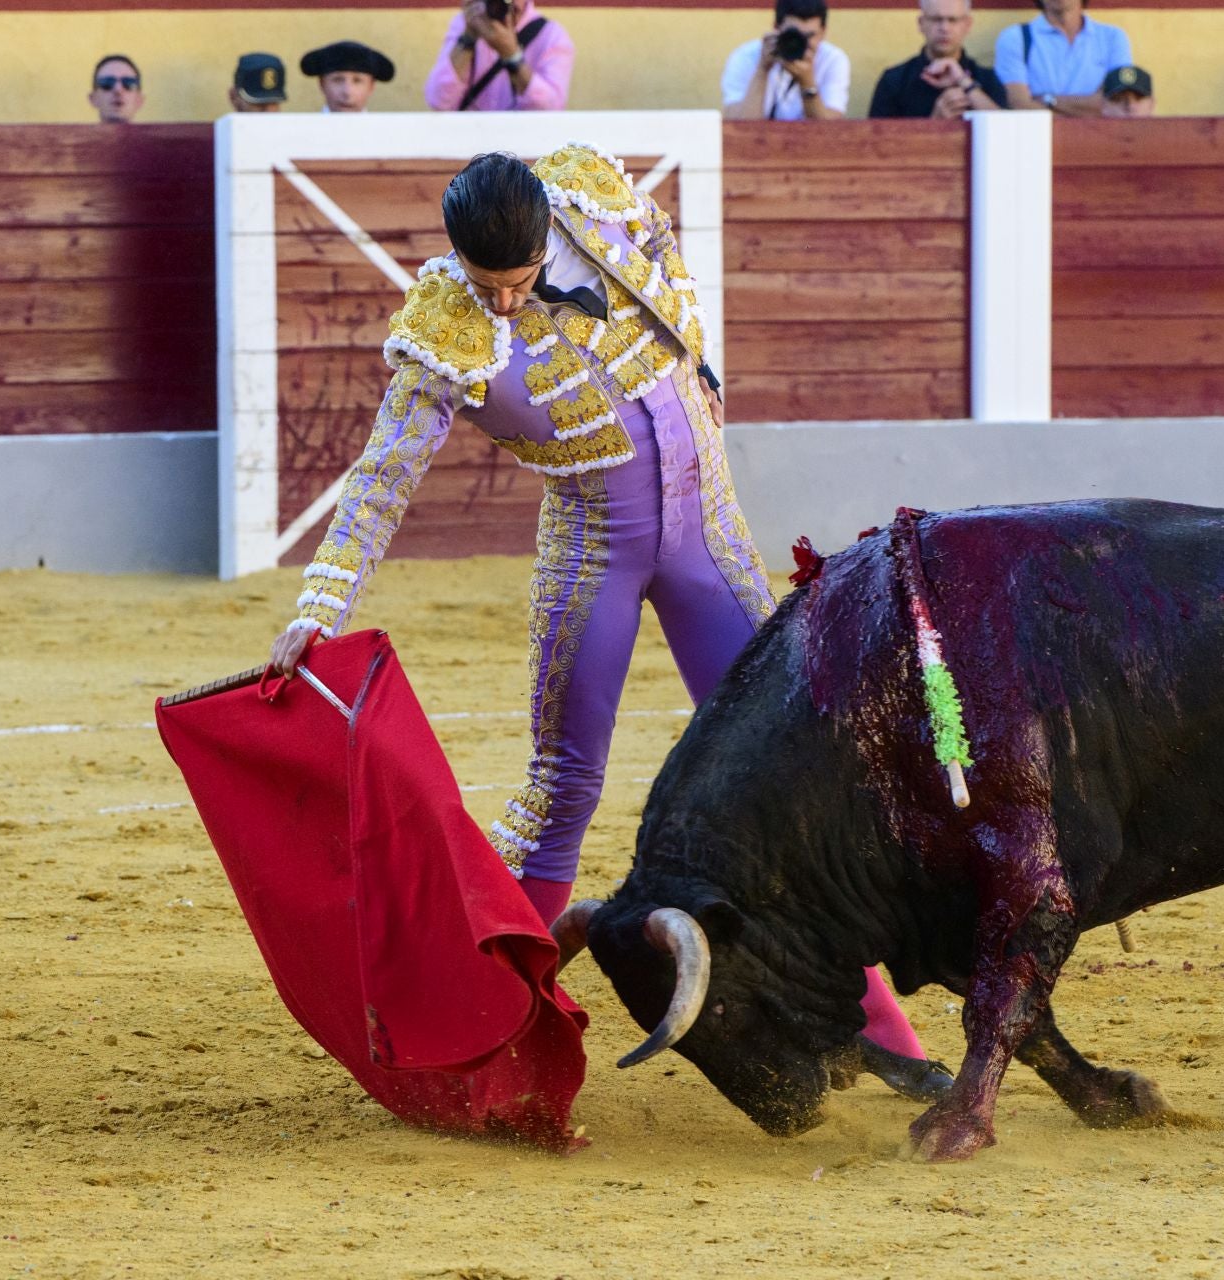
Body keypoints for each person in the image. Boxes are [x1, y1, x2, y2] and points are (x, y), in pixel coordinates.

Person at [264, 146, 945, 1094]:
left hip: (710, 539)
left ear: (549, 233)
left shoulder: (596, 198)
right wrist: (318, 606)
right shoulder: (445, 329)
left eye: (519, 281)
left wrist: (699, 365)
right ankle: (494, 1048)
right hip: (593, 560)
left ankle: (892, 1047)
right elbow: (382, 479)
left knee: (802, 780)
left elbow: (670, 265)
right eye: (483, 285)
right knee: (560, 797)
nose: (502, 305)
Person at [425, 0, 573, 112]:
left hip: (524, 144)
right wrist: (468, 38)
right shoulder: (466, 23)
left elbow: (551, 110)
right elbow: (438, 101)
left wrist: (512, 56)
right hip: (470, 143)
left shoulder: (551, 36)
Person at [994, 0, 1132, 117]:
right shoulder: (1015, 38)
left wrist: (1048, 100)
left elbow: (1116, 104)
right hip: (1039, 141)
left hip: (1101, 141)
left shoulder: (1112, 37)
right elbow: (1019, 104)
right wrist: (1087, 109)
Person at [868, 0, 1003, 119]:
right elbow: (877, 143)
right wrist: (935, 123)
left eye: (953, 20)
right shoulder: (894, 81)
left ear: (967, 25)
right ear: (921, 24)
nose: (944, 28)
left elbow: (1005, 132)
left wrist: (964, 81)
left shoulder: (988, 79)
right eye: (936, 19)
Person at [722, 0, 848, 121]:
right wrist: (762, 69)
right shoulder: (745, 57)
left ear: (823, 33)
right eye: (794, 35)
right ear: (777, 28)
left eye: (810, 36)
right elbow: (740, 127)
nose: (801, 43)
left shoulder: (833, 60)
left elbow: (830, 130)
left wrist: (807, 83)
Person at [302, 40, 396, 113]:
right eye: (337, 80)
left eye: (357, 81)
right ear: (322, 84)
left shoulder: (386, 134)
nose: (347, 92)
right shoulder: (301, 132)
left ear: (371, 87)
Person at [89, 55, 143, 125]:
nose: (118, 89)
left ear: (139, 100)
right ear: (93, 98)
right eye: (107, 83)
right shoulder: (73, 136)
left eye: (128, 83)